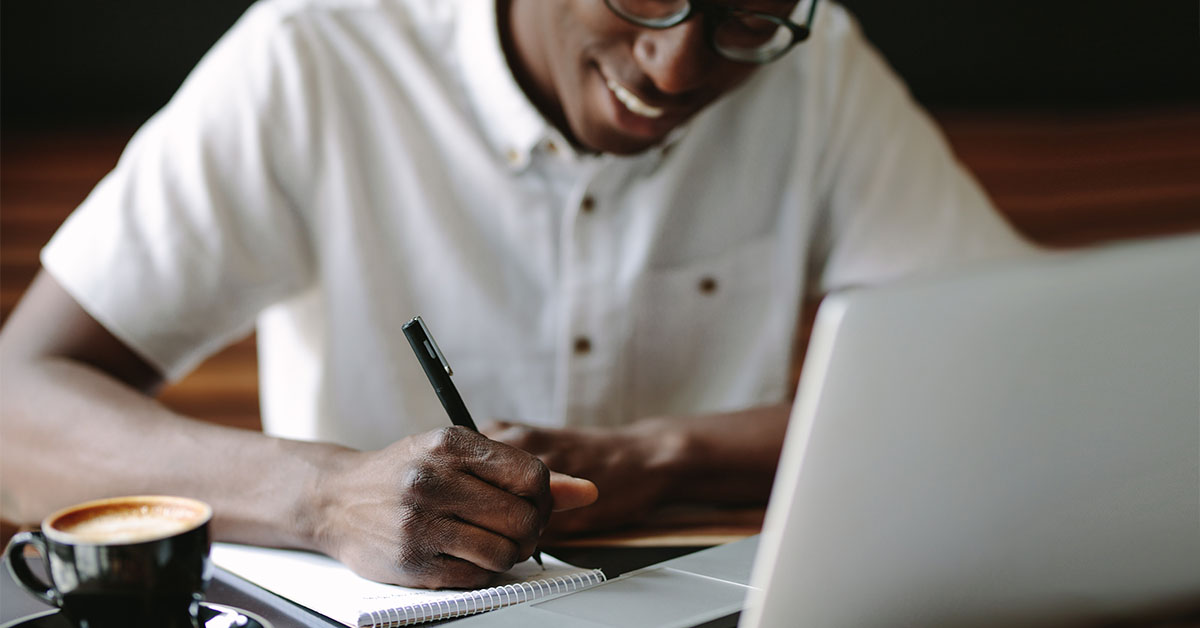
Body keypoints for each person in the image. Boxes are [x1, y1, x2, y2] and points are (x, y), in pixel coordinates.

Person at [0, 0, 1033, 588]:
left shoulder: (819, 66)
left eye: (744, 13)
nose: (677, 66)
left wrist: (669, 456)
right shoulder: (314, 54)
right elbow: (12, 410)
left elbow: (1015, 374)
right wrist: (325, 497)